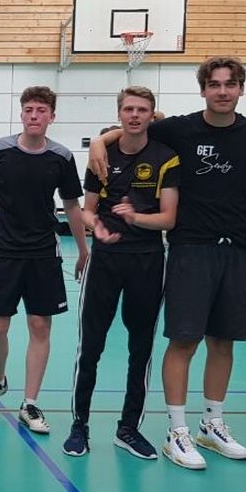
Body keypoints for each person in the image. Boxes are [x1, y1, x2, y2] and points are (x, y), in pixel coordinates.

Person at [88, 56, 246, 470]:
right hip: (191, 248)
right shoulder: (179, 128)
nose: (223, 91)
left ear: (241, 88)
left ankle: (212, 424)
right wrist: (101, 141)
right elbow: (134, 128)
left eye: (230, 84)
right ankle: (176, 431)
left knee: (223, 342)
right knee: (184, 341)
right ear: (203, 89)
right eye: (215, 84)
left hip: (238, 248)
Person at [67, 85, 179, 457]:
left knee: (140, 347)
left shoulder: (166, 158)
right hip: (105, 260)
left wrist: (136, 218)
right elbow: (87, 210)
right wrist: (95, 226)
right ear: (120, 113)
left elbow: (169, 218)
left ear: (152, 114)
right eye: (129, 109)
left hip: (148, 261)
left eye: (142, 110)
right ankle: (79, 425)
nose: (135, 115)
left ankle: (128, 428)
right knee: (90, 346)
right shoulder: (101, 157)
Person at [0, 85, 87, 434]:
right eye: (29, 110)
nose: (34, 116)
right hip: (3, 251)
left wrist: (83, 249)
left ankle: (30, 402)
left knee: (39, 326)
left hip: (44, 253)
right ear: (21, 114)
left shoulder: (61, 157)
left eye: (41, 110)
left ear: (52, 116)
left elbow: (72, 205)